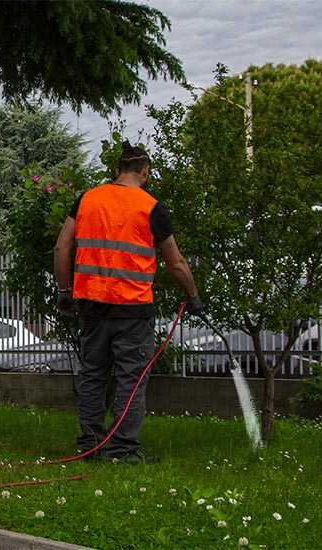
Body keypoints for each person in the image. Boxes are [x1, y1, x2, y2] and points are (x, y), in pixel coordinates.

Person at [53, 141, 202, 464]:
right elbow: (175, 263)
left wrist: (65, 291)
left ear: (117, 170)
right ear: (145, 172)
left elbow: (62, 248)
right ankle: (122, 450)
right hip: (133, 309)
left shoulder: (88, 199)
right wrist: (192, 296)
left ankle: (91, 446)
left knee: (93, 374)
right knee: (131, 379)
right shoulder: (150, 207)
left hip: (92, 305)